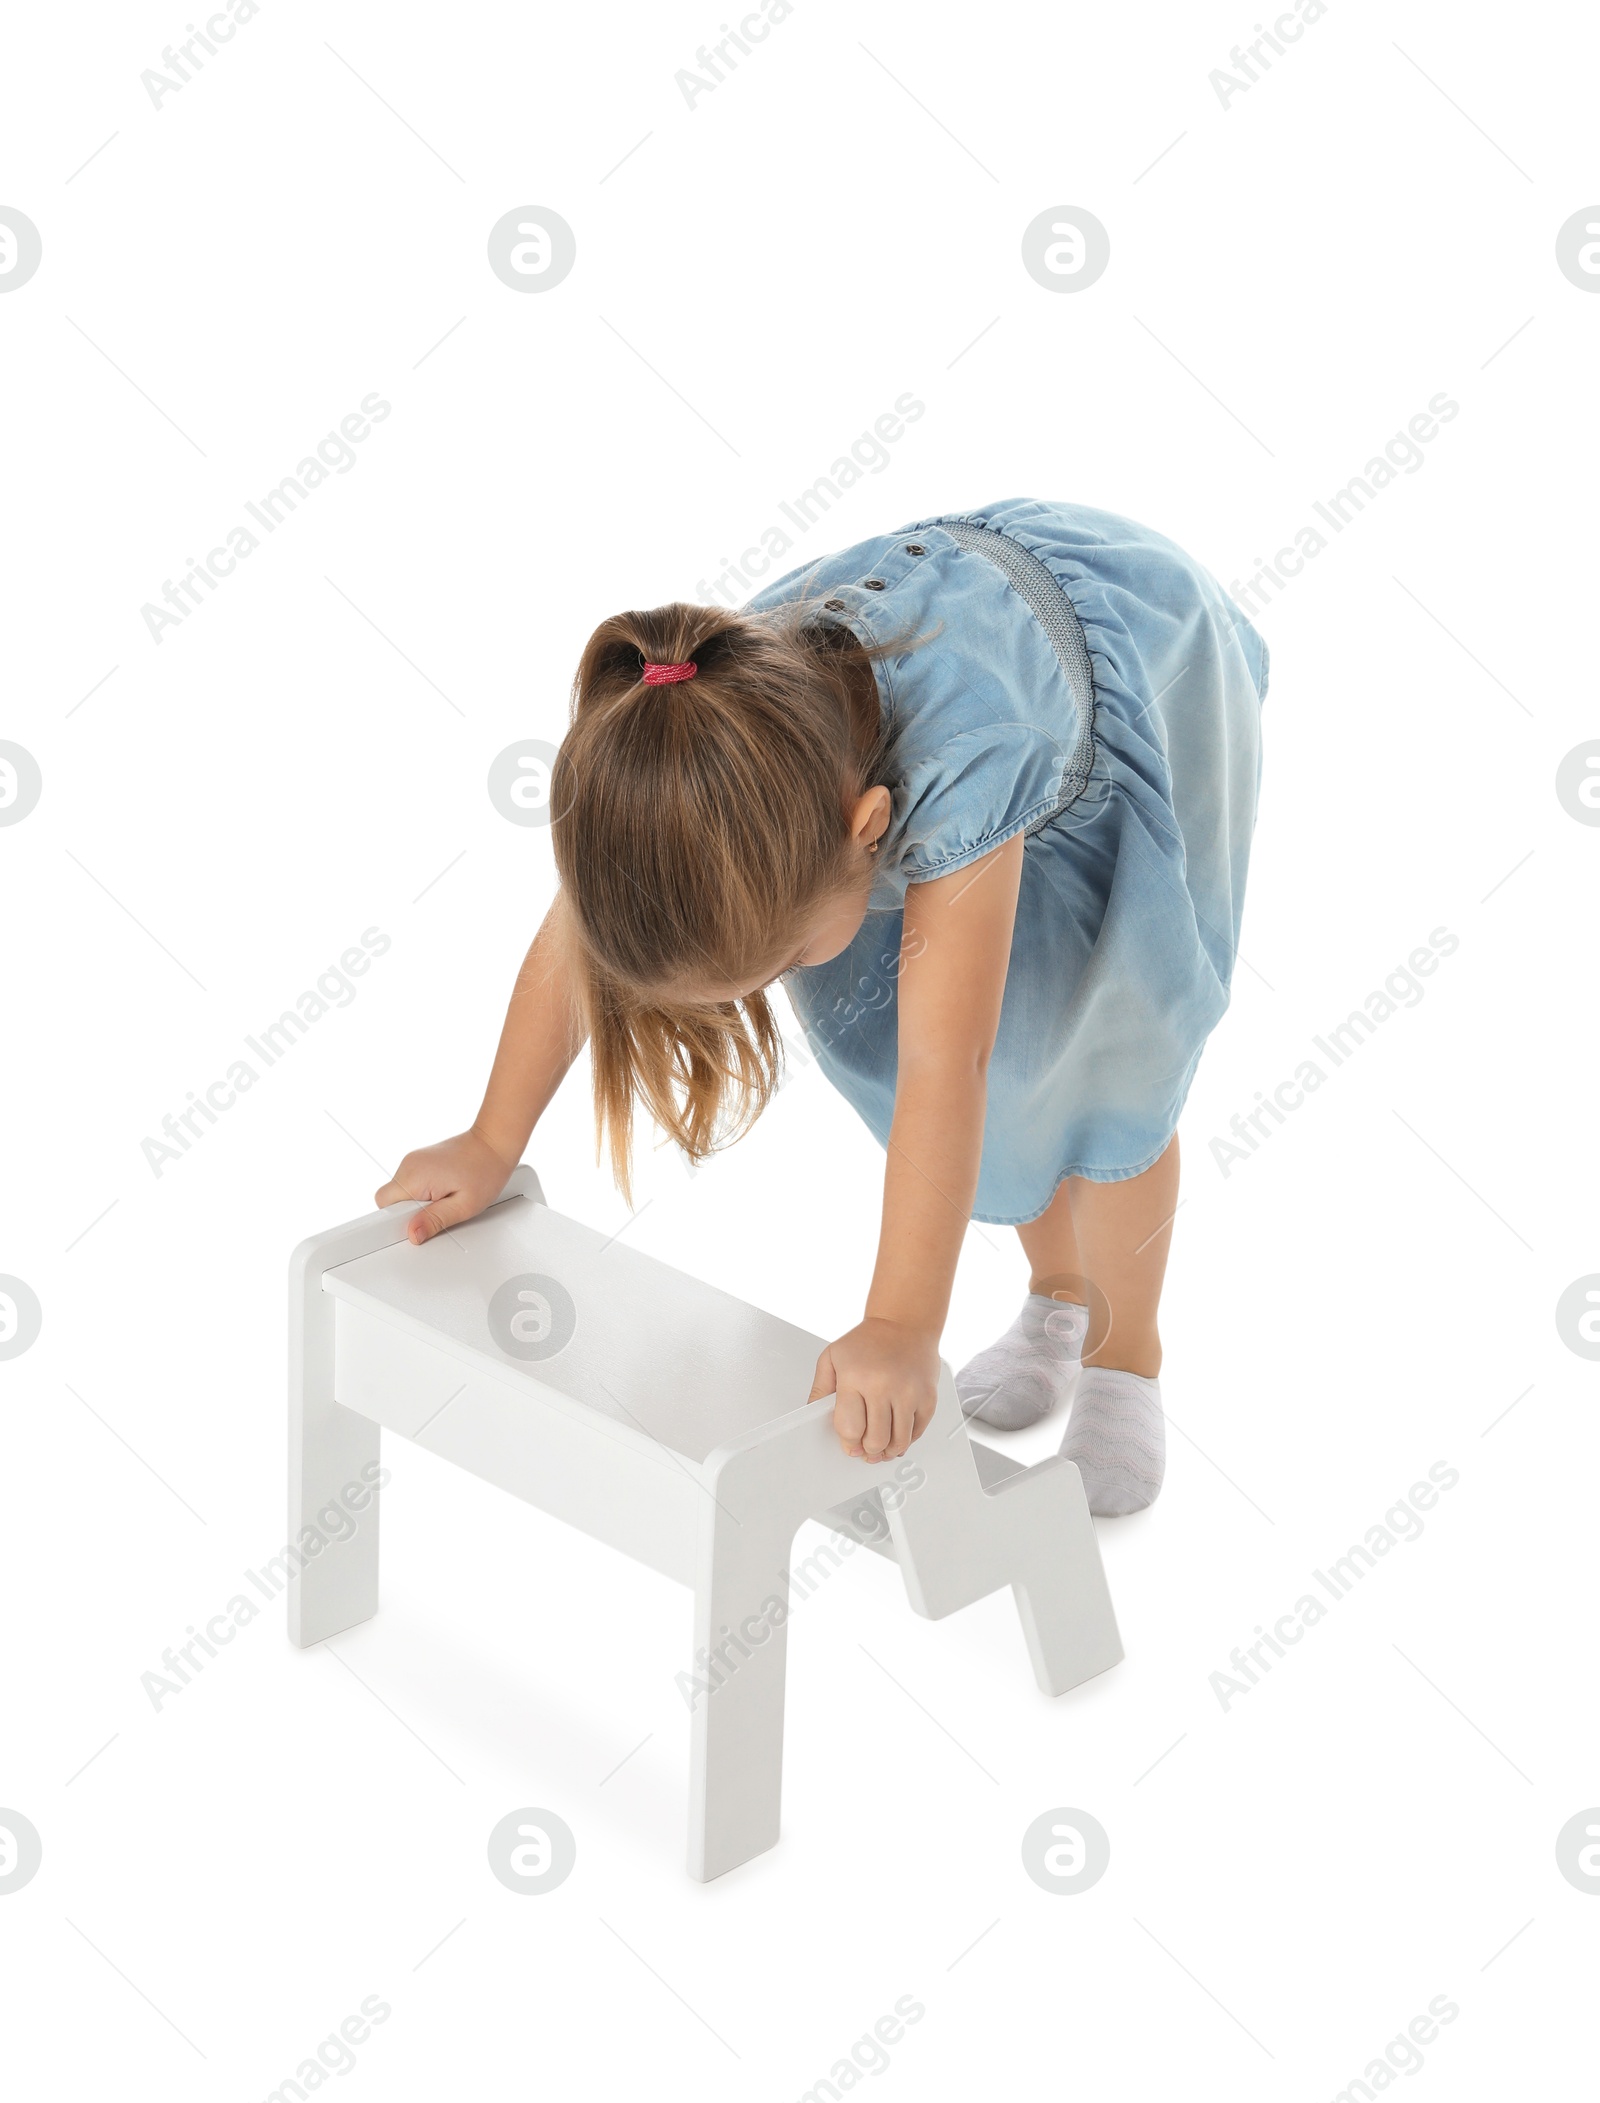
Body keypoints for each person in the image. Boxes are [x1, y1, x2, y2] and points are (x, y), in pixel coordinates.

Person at [377, 499, 1268, 1515]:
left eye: (782, 960)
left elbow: (950, 1064)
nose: (767, 993)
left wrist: (898, 1329)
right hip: (953, 706)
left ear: (869, 828)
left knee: (1108, 1076)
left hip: (1136, 671)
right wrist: (491, 1140)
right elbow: (576, 938)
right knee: (1020, 1076)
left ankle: (1124, 1361)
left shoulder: (964, 765)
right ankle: (1058, 1301)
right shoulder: (689, 750)